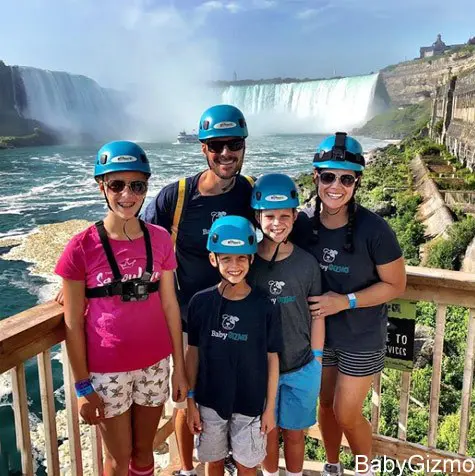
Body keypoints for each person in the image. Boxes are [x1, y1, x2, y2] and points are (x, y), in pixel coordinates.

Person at [55, 141, 188, 476]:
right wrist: (83, 387)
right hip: (107, 371)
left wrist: (179, 367)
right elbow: (71, 325)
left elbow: (170, 305)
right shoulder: (81, 247)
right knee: (117, 458)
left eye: (137, 185)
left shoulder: (159, 239)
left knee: (144, 454)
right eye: (116, 185)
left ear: (146, 188)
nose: (127, 195)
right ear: (102, 186)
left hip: (155, 365)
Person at [141, 104, 254, 476]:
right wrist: (80, 281)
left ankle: (224, 463)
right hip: (188, 322)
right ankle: (188, 469)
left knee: (227, 398)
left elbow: (281, 231)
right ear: (203, 149)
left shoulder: (250, 193)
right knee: (185, 401)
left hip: (236, 319)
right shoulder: (175, 198)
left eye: (233, 143)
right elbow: (135, 239)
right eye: (216, 145)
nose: (225, 153)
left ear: (243, 145)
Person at [301, 133, 406, 476]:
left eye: (346, 178)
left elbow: (396, 284)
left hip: (361, 336)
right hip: (318, 335)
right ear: (315, 177)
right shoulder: (302, 223)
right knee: (325, 406)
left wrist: (344, 301)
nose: (336, 186)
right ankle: (332, 465)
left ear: (357, 182)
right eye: (328, 176)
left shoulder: (375, 229)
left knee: (346, 412)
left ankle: (364, 469)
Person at [185, 216, 283, 476]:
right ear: (213, 259)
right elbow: (192, 353)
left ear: (252, 260)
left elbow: (273, 358)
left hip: (251, 404)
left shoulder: (265, 306)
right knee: (214, 462)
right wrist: (191, 402)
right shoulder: (200, 303)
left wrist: (269, 408)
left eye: (241, 258)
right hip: (208, 400)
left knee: (247, 465)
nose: (234, 265)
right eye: (226, 258)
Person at [247, 173, 324, 476]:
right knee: (266, 431)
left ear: (295, 215)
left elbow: (317, 314)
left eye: (284, 215)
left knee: (295, 434)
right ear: (258, 216)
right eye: (269, 216)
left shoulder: (307, 264)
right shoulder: (247, 262)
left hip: (301, 365)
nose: (276, 223)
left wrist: (317, 360)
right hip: (260, 368)